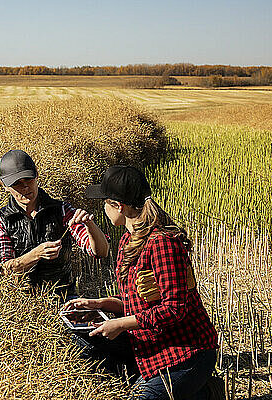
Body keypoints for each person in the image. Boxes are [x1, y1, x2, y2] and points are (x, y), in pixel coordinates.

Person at [62, 165, 220, 400]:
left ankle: (202, 390)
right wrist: (100, 304)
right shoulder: (129, 238)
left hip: (185, 352)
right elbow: (138, 304)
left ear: (118, 206)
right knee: (83, 342)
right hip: (151, 341)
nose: (104, 208)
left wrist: (121, 325)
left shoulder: (161, 244)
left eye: (105, 202)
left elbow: (174, 309)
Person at [0, 150, 109, 298]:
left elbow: (101, 252)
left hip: (65, 296)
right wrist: (37, 254)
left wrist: (90, 225)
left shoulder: (62, 210)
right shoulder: (0, 220)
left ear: (36, 175)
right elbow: (5, 270)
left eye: (28, 179)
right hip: (21, 302)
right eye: (17, 184)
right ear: (5, 186)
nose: (25, 187)